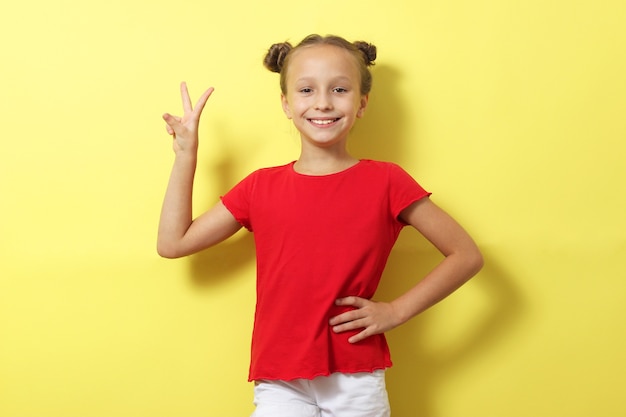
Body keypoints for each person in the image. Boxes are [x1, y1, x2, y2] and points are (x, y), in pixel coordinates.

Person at [158, 34, 483, 417]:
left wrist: (395, 312)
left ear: (362, 103)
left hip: (355, 375)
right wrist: (186, 154)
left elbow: (466, 255)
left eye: (340, 89)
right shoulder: (259, 187)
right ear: (286, 103)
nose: (323, 102)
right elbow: (173, 243)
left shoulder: (388, 182)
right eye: (307, 89)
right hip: (280, 376)